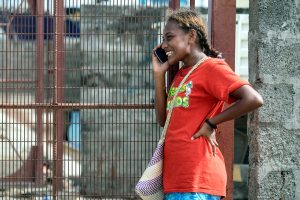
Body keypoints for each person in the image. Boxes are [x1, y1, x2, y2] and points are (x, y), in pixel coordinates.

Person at [152, 9, 263, 200]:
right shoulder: (180, 74)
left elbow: (253, 99)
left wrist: (211, 123)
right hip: (177, 180)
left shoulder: (211, 67)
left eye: (169, 37)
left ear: (191, 35)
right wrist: (159, 75)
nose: (164, 45)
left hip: (198, 180)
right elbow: (163, 121)